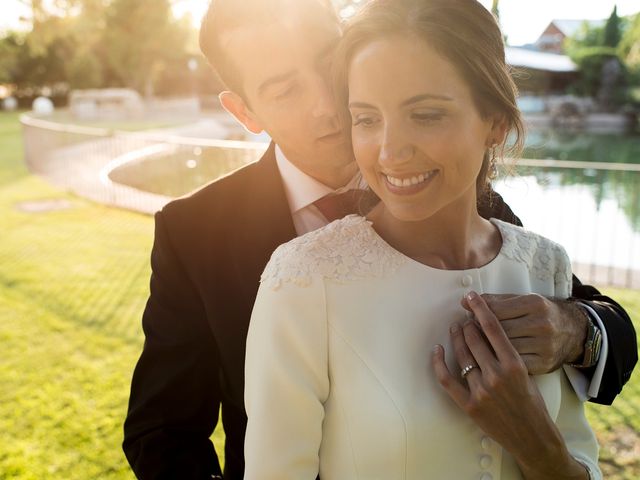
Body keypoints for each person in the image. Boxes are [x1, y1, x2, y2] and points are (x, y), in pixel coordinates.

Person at [122, 0, 636, 478]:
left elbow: (602, 328)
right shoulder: (195, 232)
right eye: (285, 89)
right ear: (245, 112)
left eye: (329, 63)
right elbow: (161, 432)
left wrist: (574, 329)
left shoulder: (460, 192)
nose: (330, 102)